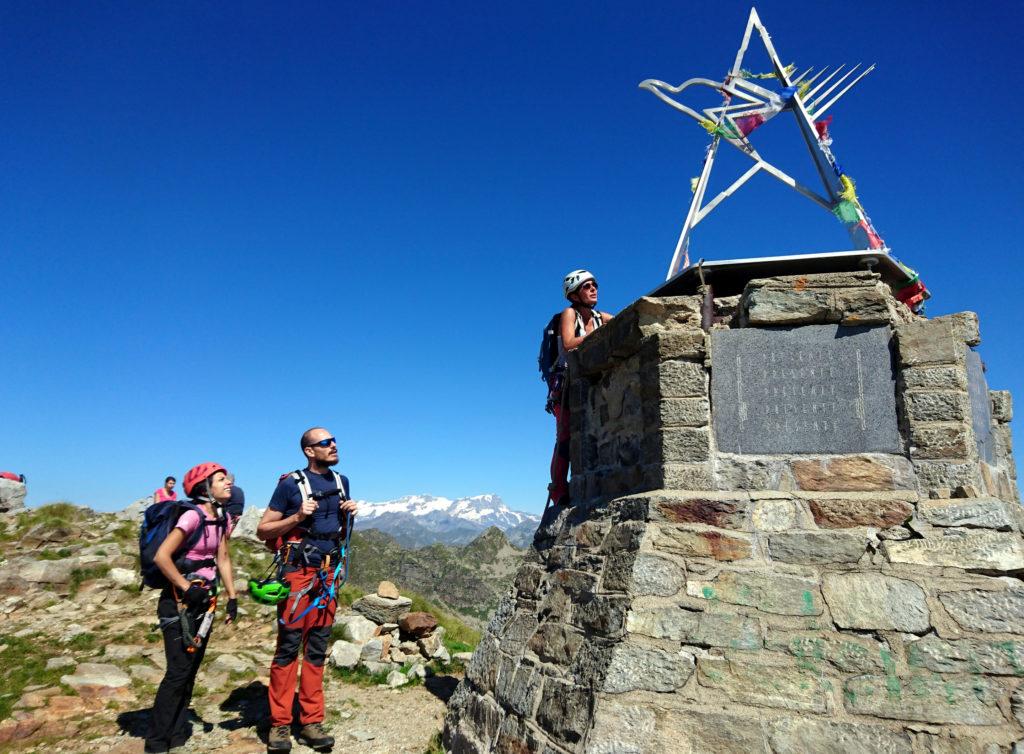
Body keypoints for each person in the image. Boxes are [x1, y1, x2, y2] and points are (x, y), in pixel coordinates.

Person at [257, 427, 358, 753]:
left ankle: (312, 721)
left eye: (334, 441)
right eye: (325, 443)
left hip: (328, 575)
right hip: (298, 573)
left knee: (316, 647)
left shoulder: (342, 483)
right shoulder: (290, 485)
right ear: (309, 451)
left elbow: (335, 531)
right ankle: (280, 725)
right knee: (288, 647)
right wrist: (298, 516)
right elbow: (264, 529)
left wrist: (348, 516)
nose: (334, 445)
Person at [146, 463, 237, 753]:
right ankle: (157, 739)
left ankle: (175, 731)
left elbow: (222, 558)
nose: (229, 482)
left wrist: (232, 597)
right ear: (205, 488)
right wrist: (187, 588)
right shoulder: (191, 517)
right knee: (178, 671)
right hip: (179, 603)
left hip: (204, 603)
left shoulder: (220, 518)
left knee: (191, 669)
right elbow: (162, 556)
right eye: (221, 479)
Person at [548, 269, 614, 506]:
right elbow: (567, 344)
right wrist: (596, 335)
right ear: (574, 294)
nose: (594, 289)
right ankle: (558, 491)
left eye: (594, 285)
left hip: (584, 383)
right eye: (587, 286)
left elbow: (622, 321)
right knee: (565, 436)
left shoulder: (599, 317)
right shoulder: (570, 314)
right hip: (564, 386)